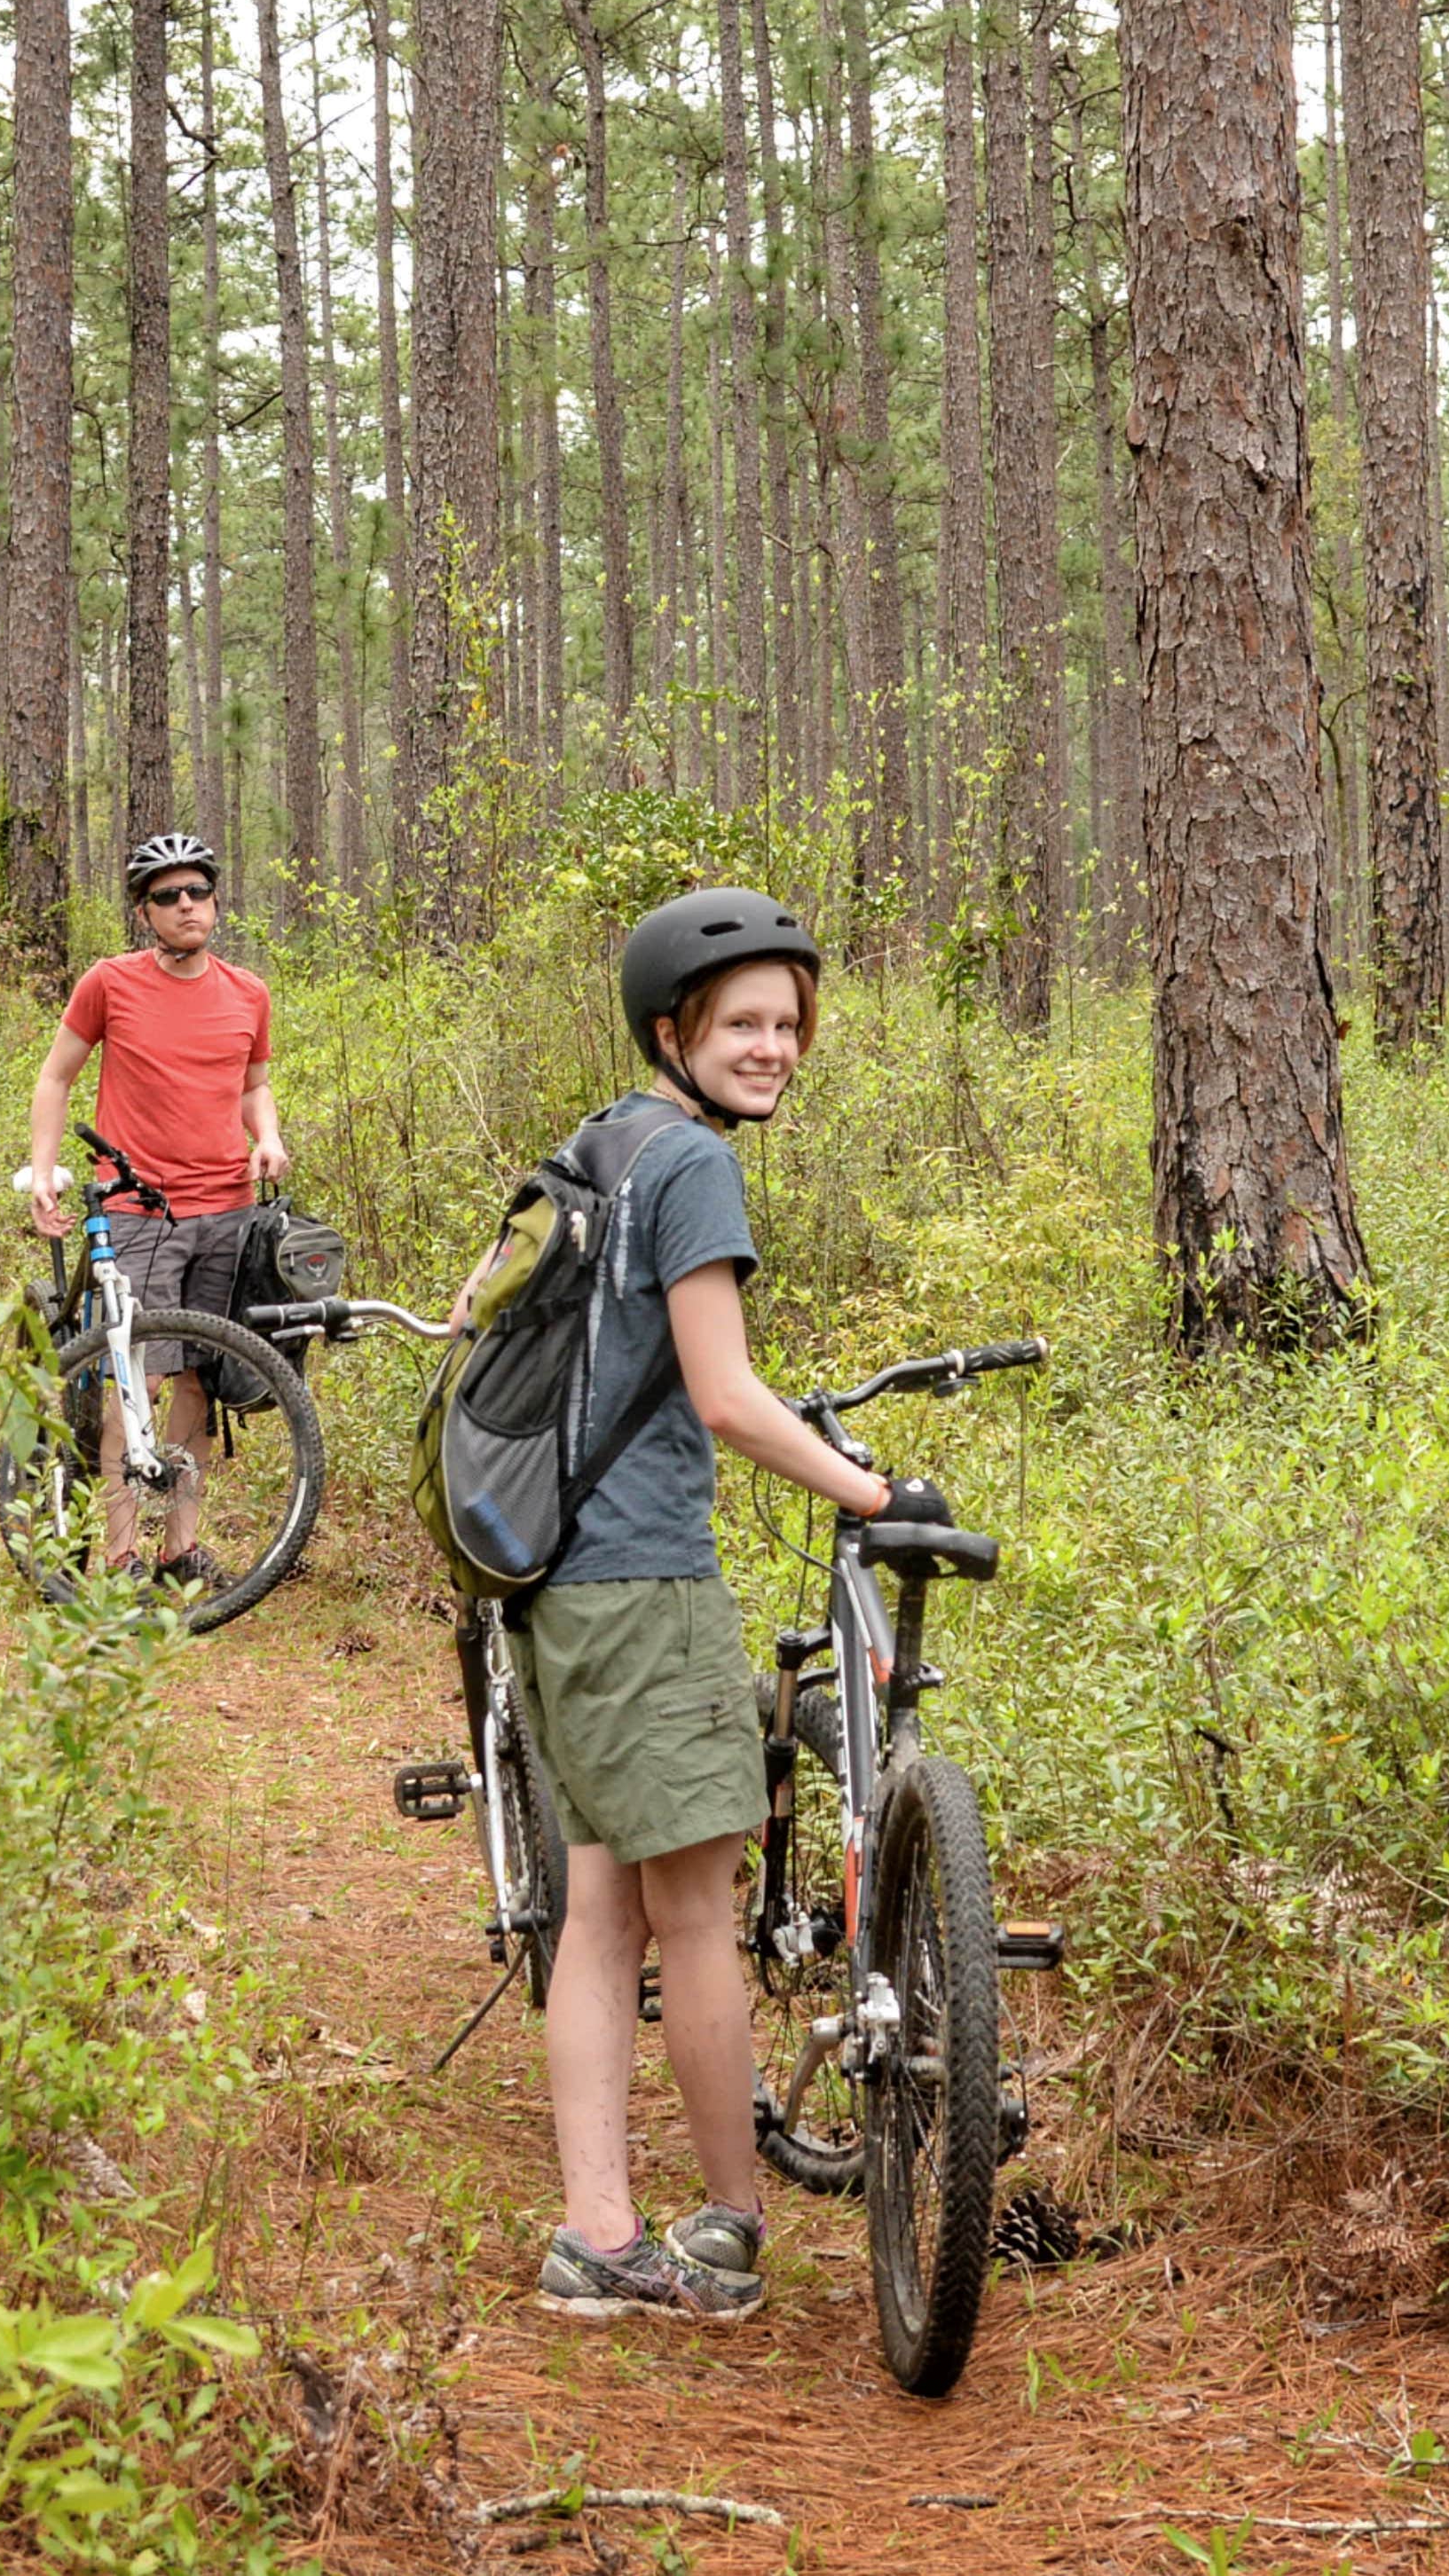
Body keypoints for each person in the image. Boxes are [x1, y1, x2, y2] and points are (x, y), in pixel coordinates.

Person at [515, 888, 915, 2326]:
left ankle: (596, 2232)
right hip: (636, 1583)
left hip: (554, 1581)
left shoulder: (596, 1144)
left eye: (788, 1023)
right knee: (691, 1916)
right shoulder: (687, 1167)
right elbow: (720, 1392)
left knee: (600, 1913)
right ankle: (724, 2232)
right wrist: (874, 1497)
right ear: (671, 1031)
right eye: (743, 1023)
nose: (774, 1048)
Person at [23, 831, 288, 1589]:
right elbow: (56, 1078)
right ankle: (120, 1553)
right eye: (167, 897)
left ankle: (181, 1548)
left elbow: (253, 1085)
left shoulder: (248, 993)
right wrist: (46, 1174)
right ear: (146, 913)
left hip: (228, 1211)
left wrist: (266, 1137)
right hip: (139, 1209)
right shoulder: (110, 983)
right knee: (130, 1378)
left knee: (201, 1381)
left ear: (215, 900)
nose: (185, 907)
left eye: (196, 892)